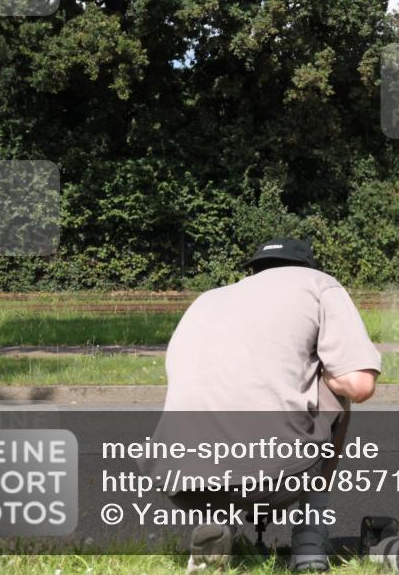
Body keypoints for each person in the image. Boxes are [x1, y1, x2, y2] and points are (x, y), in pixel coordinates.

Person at [146, 237, 381, 573]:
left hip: (179, 481)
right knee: (337, 388)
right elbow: (360, 385)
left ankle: (218, 520)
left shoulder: (208, 299)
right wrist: (324, 373)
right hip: (268, 477)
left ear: (253, 271)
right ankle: (310, 540)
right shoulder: (319, 285)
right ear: (306, 268)